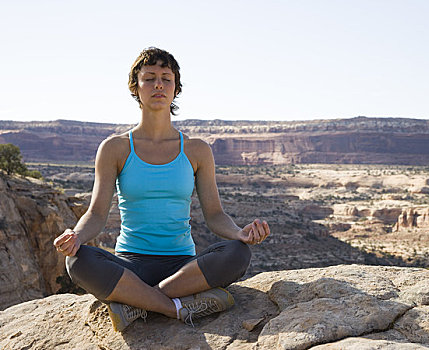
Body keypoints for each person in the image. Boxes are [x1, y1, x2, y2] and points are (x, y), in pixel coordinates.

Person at [53, 47, 270, 332]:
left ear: (176, 89)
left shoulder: (196, 150)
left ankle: (135, 302)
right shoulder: (115, 148)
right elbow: (95, 214)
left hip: (183, 268)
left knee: (239, 253)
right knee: (78, 261)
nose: (158, 85)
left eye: (166, 79)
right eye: (149, 78)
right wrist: (76, 236)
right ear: (135, 87)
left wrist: (240, 233)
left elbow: (215, 215)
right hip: (131, 265)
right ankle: (175, 307)